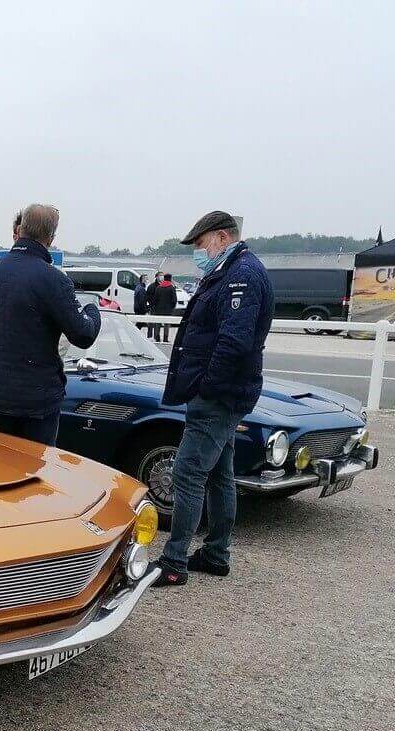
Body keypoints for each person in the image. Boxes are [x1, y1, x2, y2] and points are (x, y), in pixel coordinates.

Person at [148, 210, 272, 589]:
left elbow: (234, 342)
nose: (199, 253)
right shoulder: (234, 270)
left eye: (201, 245)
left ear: (220, 237)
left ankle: (174, 561)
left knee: (187, 473)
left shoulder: (241, 276)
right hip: (224, 393)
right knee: (219, 473)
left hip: (218, 395)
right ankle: (217, 553)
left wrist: (206, 386)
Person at [0, 203, 100, 446]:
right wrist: (92, 309)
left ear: (21, 229)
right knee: (35, 470)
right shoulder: (53, 279)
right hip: (37, 399)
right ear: (50, 238)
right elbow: (83, 335)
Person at [149, 273, 178, 342]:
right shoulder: (171, 288)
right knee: (167, 325)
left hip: (158, 309)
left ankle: (157, 337)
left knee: (157, 324)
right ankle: (165, 338)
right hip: (168, 310)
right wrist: (172, 308)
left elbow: (155, 299)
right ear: (170, 279)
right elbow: (174, 300)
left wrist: (155, 307)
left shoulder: (159, 287)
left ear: (164, 278)